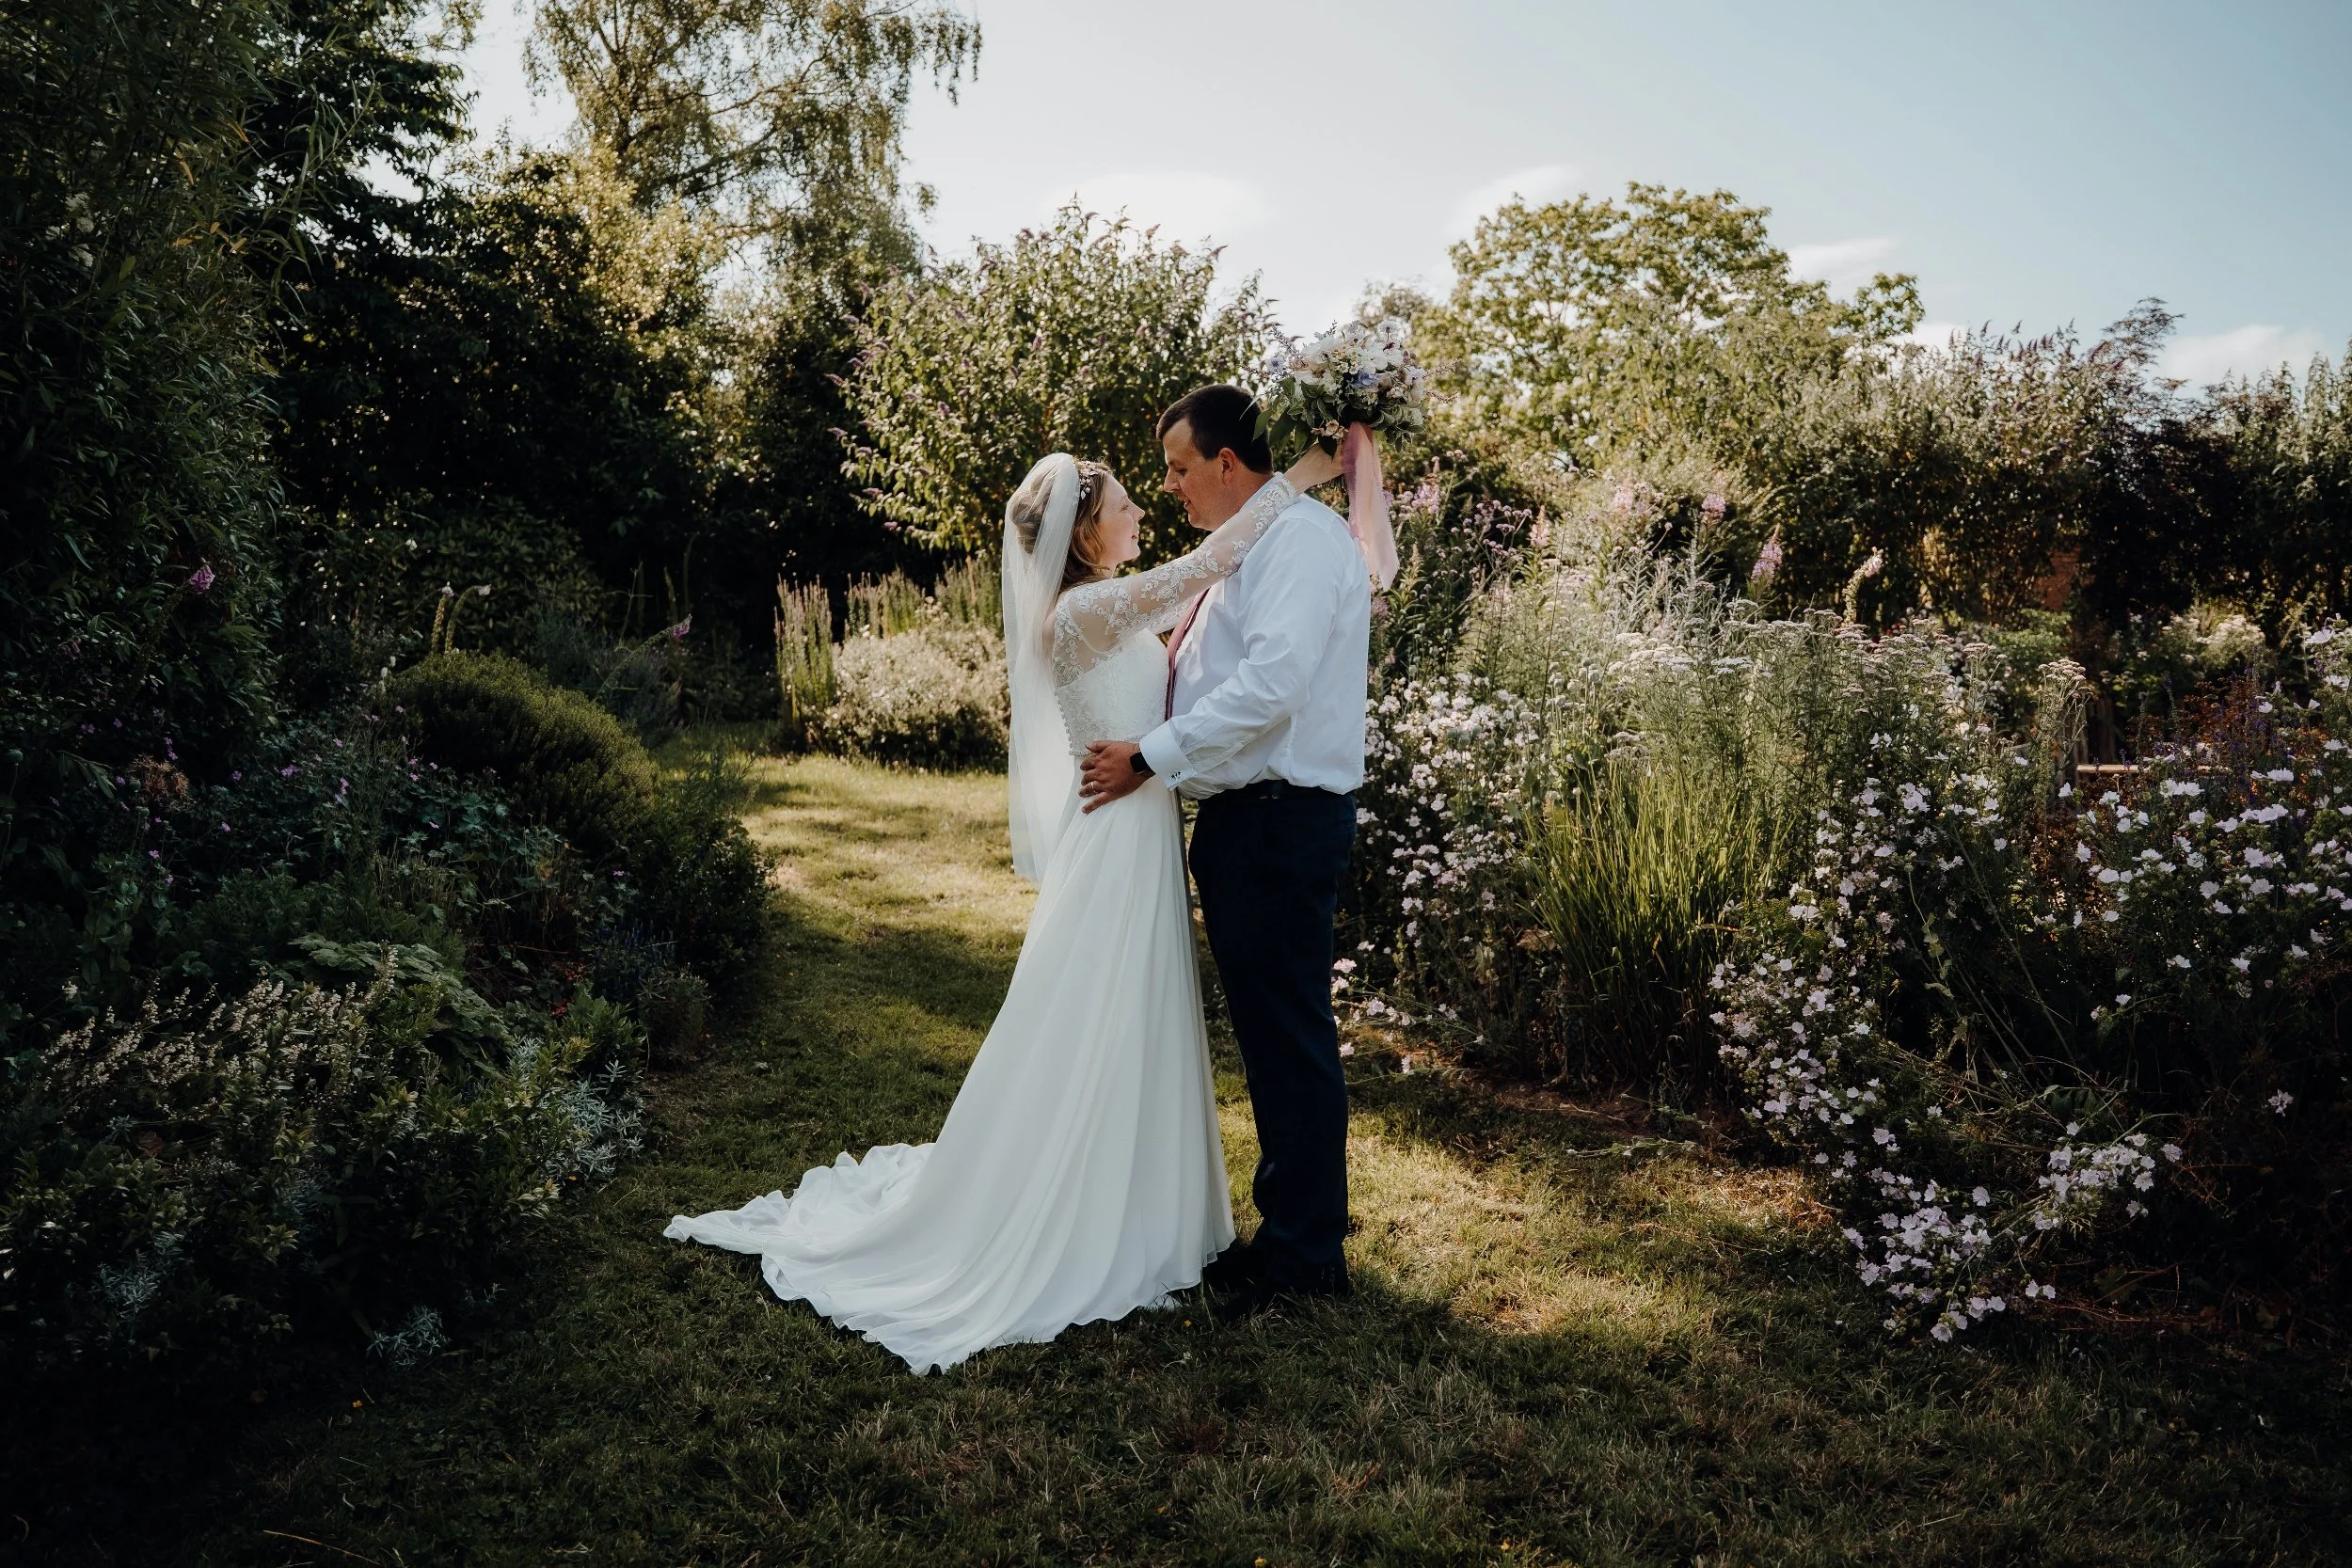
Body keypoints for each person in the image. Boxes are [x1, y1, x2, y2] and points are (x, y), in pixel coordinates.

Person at [663, 443, 1327, 1373]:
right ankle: (1089, 1205)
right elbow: (1212, 562)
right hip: (1116, 841)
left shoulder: (1099, 607)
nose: (1144, 513)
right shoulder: (1087, 609)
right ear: (1083, 530)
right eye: (1128, 505)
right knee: (1099, 1018)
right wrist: (1305, 471)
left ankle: (1139, 1204)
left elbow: (1203, 600)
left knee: (1129, 1019)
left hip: (1131, 831)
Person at [1076, 384, 1371, 1321]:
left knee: (1289, 1041)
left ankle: (1306, 1259)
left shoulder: (1301, 542)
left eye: (1175, 467)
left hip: (1281, 819)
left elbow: (1273, 683)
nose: (1168, 486)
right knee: (1272, 1039)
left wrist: (1152, 756)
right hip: (1249, 823)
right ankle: (1284, 1234)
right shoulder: (1249, 547)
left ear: (1226, 464)